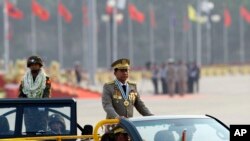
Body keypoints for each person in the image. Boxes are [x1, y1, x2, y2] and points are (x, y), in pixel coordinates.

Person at [18, 55, 51, 134]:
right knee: (29, 132)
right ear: (29, 66)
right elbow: (21, 94)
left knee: (42, 132)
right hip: (28, 110)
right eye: (32, 65)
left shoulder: (45, 79)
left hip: (41, 110)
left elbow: (46, 93)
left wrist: (43, 104)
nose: (34, 66)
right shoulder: (24, 79)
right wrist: (21, 106)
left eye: (36, 64)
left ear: (39, 65)